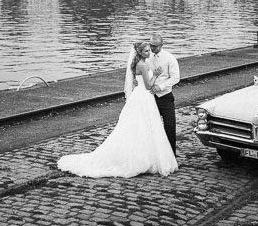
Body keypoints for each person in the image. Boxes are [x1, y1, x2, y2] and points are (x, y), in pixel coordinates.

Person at [57, 41, 177, 178]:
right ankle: (142, 158)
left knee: (143, 127)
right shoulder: (143, 65)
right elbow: (149, 86)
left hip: (142, 96)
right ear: (139, 52)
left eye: (149, 50)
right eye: (146, 51)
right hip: (144, 96)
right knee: (144, 126)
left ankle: (146, 156)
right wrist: (156, 74)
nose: (149, 53)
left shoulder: (140, 63)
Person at [148, 33, 180, 155]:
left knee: (170, 127)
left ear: (162, 45)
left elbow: (176, 78)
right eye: (150, 45)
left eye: (155, 46)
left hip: (165, 97)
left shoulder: (169, 58)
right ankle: (154, 155)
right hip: (150, 97)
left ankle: (171, 155)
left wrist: (160, 87)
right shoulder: (147, 56)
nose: (152, 48)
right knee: (151, 127)